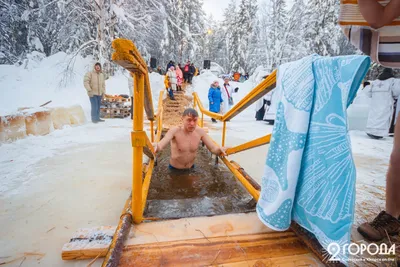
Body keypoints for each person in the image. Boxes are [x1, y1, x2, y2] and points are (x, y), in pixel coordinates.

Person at [353, 2, 400, 242]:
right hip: (383, 110)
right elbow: (377, 17)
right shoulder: (386, 84)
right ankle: (392, 216)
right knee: (399, 156)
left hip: (385, 109)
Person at [153, 108, 227, 170]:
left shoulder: (200, 132)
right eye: (189, 120)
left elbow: (213, 148)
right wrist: (156, 146)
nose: (192, 123)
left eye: (195, 120)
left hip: (191, 168)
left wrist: (219, 149)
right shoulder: (175, 131)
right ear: (182, 119)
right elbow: (161, 144)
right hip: (174, 169)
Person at [364, 68, 400, 139]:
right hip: (386, 101)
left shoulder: (375, 82)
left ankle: (371, 130)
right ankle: (379, 133)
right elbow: (396, 91)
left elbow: (367, 92)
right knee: (384, 117)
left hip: (375, 102)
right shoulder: (392, 81)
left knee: (374, 116)